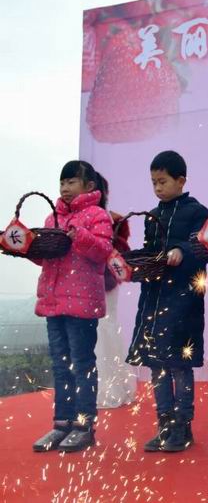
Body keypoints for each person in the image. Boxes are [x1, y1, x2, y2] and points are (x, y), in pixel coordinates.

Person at [126, 151, 208, 452]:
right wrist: (135, 264)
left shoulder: (197, 212)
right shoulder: (153, 216)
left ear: (181, 181)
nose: (158, 187)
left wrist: (182, 251)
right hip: (153, 300)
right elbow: (150, 252)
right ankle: (163, 425)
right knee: (156, 364)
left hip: (184, 302)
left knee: (179, 364)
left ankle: (182, 426)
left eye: (162, 181)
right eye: (153, 182)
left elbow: (203, 247)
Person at [32, 160, 113, 453]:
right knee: (60, 365)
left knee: (81, 365)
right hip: (53, 302)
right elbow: (44, 258)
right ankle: (61, 424)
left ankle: (84, 426)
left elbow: (103, 251)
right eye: (62, 183)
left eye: (71, 182)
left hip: (82, 306)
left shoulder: (98, 215)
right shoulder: (52, 217)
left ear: (89, 186)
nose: (65, 188)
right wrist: (29, 247)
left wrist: (80, 235)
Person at [94, 172, 136, 409]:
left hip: (106, 284)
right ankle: (97, 389)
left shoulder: (116, 221)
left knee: (106, 329)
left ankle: (111, 389)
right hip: (81, 285)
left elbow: (122, 253)